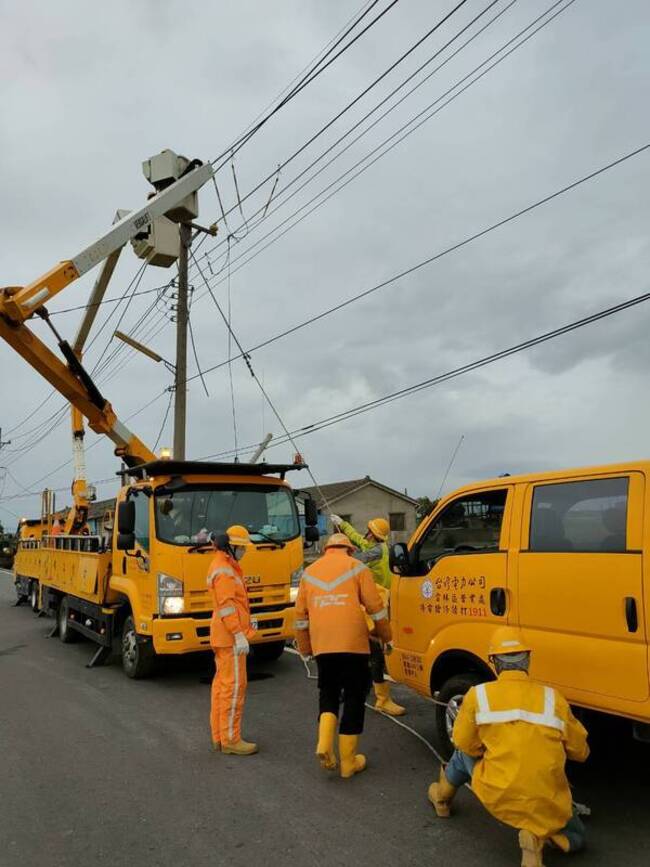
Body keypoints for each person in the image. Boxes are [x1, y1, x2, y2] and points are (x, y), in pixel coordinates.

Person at [428, 627, 589, 866]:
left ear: (494, 662)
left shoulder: (478, 695)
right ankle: (540, 838)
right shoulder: (552, 698)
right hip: (548, 796)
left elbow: (463, 742)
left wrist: (485, 750)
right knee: (578, 837)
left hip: (500, 791)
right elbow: (580, 751)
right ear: (528, 660)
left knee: (462, 756)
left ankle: (441, 799)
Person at [294, 533, 392, 779]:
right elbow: (376, 609)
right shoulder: (357, 567)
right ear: (348, 549)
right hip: (354, 644)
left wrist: (305, 648)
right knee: (354, 697)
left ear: (327, 549)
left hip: (323, 644)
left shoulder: (310, 572)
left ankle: (324, 745)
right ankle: (349, 762)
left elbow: (300, 617)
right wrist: (386, 637)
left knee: (327, 691)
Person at [330, 513, 405, 716]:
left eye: (369, 530)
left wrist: (336, 553)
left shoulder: (375, 552)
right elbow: (359, 541)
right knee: (367, 650)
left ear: (372, 534)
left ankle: (357, 692)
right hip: (370, 603)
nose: (366, 533)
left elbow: (355, 557)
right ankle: (371, 694)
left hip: (372, 604)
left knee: (368, 649)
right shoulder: (378, 548)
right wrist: (343, 525)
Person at [208, 525, 258, 756]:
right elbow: (227, 606)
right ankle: (231, 740)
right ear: (231, 546)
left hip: (223, 635)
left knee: (222, 687)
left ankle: (220, 737)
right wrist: (238, 633)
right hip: (229, 637)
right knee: (234, 688)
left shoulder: (224, 566)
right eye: (242, 548)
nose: (245, 552)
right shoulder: (225, 570)